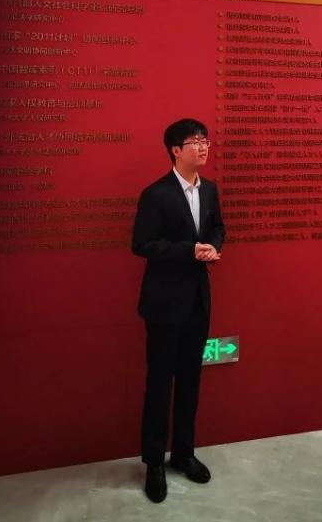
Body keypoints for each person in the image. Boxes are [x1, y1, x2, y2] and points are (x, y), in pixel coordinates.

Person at [131, 119, 225, 503]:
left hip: (198, 300)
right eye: (194, 141)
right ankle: (154, 462)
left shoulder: (210, 189)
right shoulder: (156, 194)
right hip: (164, 303)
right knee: (160, 384)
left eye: (205, 140)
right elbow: (141, 244)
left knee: (191, 381)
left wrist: (213, 246)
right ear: (175, 150)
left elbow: (218, 229)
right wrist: (189, 251)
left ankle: (184, 453)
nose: (203, 147)